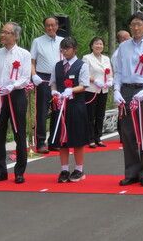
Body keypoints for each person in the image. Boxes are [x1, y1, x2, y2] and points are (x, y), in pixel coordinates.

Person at [112, 12, 143, 187]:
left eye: (139, 24)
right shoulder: (123, 48)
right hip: (126, 89)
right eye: (133, 24)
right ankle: (131, 171)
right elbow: (118, 72)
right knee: (127, 133)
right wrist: (116, 90)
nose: (136, 28)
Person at [0, 22, 31, 184]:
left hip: (16, 95)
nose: (2, 35)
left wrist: (13, 86)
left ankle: (19, 171)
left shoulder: (24, 54)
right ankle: (1, 170)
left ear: (16, 35)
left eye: (7, 32)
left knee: (19, 132)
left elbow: (26, 77)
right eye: (2, 32)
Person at [50, 37, 89, 182]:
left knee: (77, 138)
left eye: (68, 48)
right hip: (61, 107)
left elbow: (84, 85)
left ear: (75, 49)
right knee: (62, 139)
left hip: (76, 105)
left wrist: (71, 90)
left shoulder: (81, 65)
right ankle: (64, 170)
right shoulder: (58, 65)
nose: (65, 51)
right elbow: (53, 83)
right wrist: (54, 92)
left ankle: (79, 169)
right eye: (63, 48)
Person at [30, 16, 64, 153]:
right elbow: (31, 61)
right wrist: (34, 75)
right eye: (47, 25)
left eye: (52, 25)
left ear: (57, 26)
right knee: (42, 111)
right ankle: (40, 142)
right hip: (43, 78)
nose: (50, 28)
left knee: (58, 110)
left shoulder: (63, 41)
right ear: (44, 27)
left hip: (59, 78)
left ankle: (54, 141)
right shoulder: (37, 41)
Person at [83, 37, 112, 148]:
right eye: (96, 44)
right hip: (91, 89)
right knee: (91, 115)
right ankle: (90, 139)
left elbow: (109, 74)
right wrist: (95, 80)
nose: (99, 46)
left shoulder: (106, 59)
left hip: (103, 90)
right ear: (92, 46)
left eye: (101, 44)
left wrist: (110, 81)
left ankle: (98, 138)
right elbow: (85, 74)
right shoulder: (87, 58)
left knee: (100, 115)